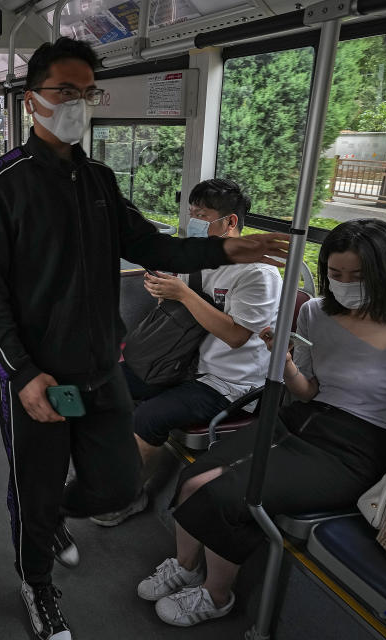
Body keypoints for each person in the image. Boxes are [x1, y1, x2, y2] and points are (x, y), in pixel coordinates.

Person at [0, 37, 289, 640]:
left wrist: (224, 248)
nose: (77, 103)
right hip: (43, 376)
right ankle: (36, 581)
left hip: (100, 370)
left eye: (87, 93)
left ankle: (41, 516)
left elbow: (154, 246)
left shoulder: (98, 181)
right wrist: (19, 371)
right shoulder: (2, 183)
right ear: (33, 97)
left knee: (116, 483)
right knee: (36, 484)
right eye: (65, 90)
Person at [142, 219, 386, 627]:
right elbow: (307, 390)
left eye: (358, 276)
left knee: (229, 496)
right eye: (335, 275)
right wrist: (282, 362)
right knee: (195, 479)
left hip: (356, 445)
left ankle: (217, 595)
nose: (345, 284)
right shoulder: (316, 313)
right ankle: (186, 565)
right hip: (301, 417)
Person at [92, 179, 281, 527]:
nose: (193, 221)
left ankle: (131, 496)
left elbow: (236, 335)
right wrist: (165, 291)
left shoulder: (258, 273)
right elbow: (183, 308)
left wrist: (183, 295)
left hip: (229, 382)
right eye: (191, 213)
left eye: (202, 215)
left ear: (230, 223)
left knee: (148, 416)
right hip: (185, 362)